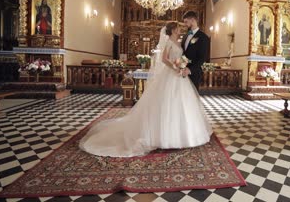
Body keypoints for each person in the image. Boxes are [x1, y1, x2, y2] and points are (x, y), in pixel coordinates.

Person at [79, 22, 212, 157]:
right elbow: (164, 59)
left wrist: (182, 65)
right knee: (166, 103)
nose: (180, 29)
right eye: (177, 28)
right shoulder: (168, 43)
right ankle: (163, 136)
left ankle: (185, 134)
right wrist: (175, 67)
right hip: (171, 74)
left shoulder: (180, 42)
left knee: (181, 103)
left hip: (179, 76)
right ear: (172, 30)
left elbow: (181, 57)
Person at [181, 11, 210, 90]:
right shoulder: (185, 36)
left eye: (186, 22)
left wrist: (190, 70)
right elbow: (183, 53)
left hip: (194, 73)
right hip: (182, 72)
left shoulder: (203, 37)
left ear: (193, 20)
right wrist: (181, 66)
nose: (185, 24)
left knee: (192, 97)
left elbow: (202, 58)